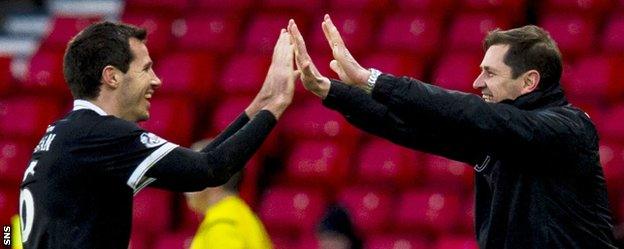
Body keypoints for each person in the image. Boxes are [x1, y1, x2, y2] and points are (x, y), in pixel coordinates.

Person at [288, 15, 617, 248]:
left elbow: (472, 113)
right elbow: (406, 126)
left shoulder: (567, 129)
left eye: (489, 73)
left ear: (529, 81)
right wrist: (328, 90)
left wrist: (372, 79)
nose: (477, 83)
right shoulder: (496, 132)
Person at [18, 21, 298, 249]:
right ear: (112, 77)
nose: (157, 80)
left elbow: (8, 231)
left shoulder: (63, 134)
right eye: (146, 69)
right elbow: (209, 169)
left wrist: (260, 103)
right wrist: (275, 106)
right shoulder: (100, 134)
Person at [185, 139, 273, 249]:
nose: (184, 183)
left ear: (215, 181)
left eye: (192, 174)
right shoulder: (241, 216)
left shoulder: (222, 226)